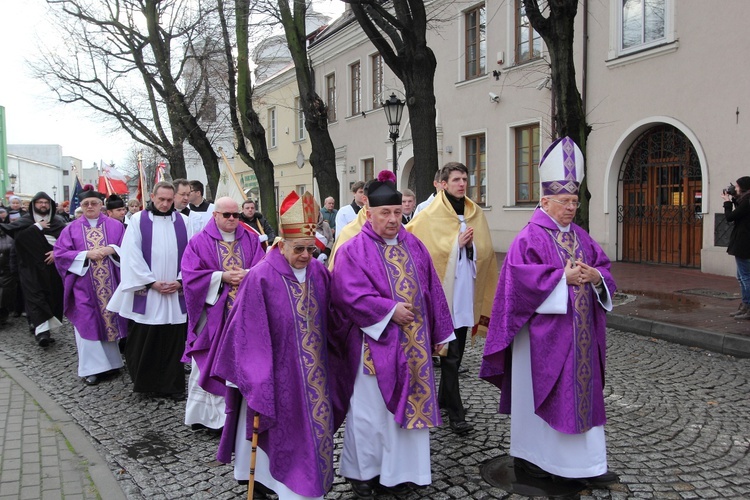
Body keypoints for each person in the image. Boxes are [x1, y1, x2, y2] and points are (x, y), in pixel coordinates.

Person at [480, 137, 618, 486]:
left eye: (574, 201)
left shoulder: (582, 237)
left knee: (583, 397)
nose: (571, 208)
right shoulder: (530, 237)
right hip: (542, 342)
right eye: (564, 201)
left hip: (580, 340)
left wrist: (596, 277)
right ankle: (538, 459)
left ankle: (587, 466)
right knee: (547, 397)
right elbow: (517, 284)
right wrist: (562, 279)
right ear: (545, 201)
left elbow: (605, 269)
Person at [211, 191, 344, 499]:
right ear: (281, 244)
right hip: (274, 374)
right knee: (274, 429)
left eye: (311, 249)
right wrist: (257, 375)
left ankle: (305, 485)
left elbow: (335, 316)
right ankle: (264, 483)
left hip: (315, 375)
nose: (306, 256)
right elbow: (246, 331)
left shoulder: (318, 273)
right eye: (299, 249)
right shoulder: (261, 277)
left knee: (311, 432)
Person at [330, 171, 454, 498]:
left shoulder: (414, 244)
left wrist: (441, 332)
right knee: (370, 416)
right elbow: (346, 294)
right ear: (368, 213)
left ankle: (404, 471)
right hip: (374, 346)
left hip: (414, 347)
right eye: (385, 213)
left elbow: (432, 290)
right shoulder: (353, 249)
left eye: (398, 212)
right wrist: (388, 311)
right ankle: (364, 473)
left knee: (409, 411)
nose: (392, 219)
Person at [406, 162, 498, 435]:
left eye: (464, 179)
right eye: (456, 179)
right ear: (442, 184)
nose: (461, 184)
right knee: (449, 353)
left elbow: (486, 251)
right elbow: (418, 250)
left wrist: (470, 248)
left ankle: (445, 399)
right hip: (443, 295)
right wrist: (455, 246)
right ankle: (456, 414)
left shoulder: (474, 213)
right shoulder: (428, 216)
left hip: (465, 292)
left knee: (456, 353)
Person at [181, 197, 264, 433]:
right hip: (213, 316)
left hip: (244, 315)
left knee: (240, 362)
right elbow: (189, 276)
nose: (231, 219)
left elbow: (263, 268)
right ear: (215, 215)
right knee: (208, 361)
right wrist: (221, 277)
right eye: (226, 215)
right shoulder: (199, 242)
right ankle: (205, 417)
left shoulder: (251, 239)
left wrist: (247, 274)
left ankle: (234, 418)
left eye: (235, 215)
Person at [107, 182, 192, 398]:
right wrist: (150, 282)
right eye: (161, 199)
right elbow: (131, 254)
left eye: (169, 200)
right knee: (144, 339)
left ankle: (172, 386)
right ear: (152, 197)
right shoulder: (137, 221)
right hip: (147, 293)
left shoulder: (185, 222)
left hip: (175, 292)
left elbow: (194, 255)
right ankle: (145, 385)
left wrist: (181, 280)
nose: (165, 204)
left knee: (173, 339)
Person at [54, 187, 128, 386]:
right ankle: (92, 369)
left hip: (111, 284)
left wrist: (112, 249)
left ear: (100, 205)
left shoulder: (115, 226)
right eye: (86, 204)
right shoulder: (70, 228)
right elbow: (60, 254)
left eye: (94, 203)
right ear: (81, 206)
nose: (90, 206)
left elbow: (129, 248)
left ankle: (112, 363)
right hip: (83, 287)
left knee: (109, 321)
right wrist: (85, 255)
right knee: (86, 323)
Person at [0, 192, 67, 346]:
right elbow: (19, 239)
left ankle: (45, 329)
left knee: (52, 299)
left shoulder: (57, 222)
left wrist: (58, 252)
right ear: (33, 205)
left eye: (46, 202)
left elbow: (68, 241)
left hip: (52, 270)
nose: (43, 205)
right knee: (36, 299)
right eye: (39, 202)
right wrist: (37, 227)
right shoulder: (26, 221)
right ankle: (42, 333)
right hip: (30, 269)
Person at [722, 176, 750, 319]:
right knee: (742, 276)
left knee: (745, 277)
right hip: (744, 243)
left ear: (744, 187)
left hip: (744, 244)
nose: (735, 189)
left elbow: (730, 217)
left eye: (737, 187)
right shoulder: (745, 200)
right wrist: (733, 199)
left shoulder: (747, 202)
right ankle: (745, 306)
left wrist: (727, 202)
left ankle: (748, 308)